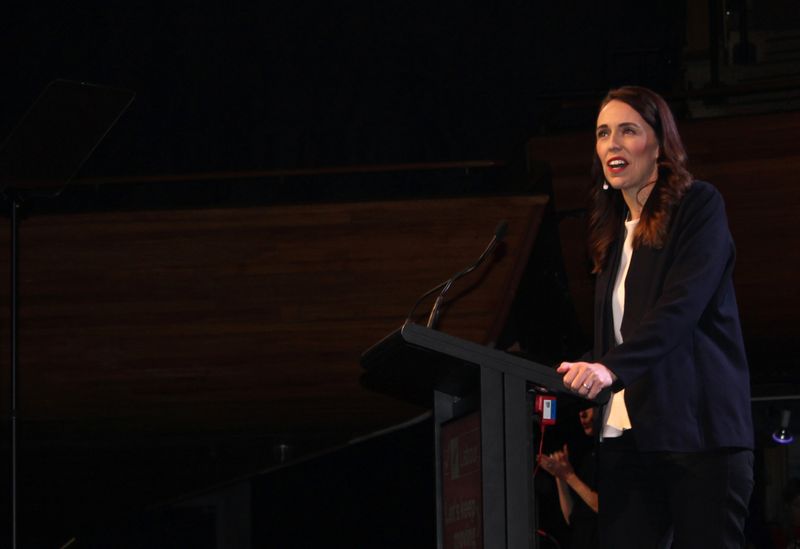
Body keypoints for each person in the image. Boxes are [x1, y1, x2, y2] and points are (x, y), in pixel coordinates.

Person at [556, 85, 754, 548]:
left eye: (629, 130)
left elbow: (679, 309)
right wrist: (584, 373)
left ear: (660, 144)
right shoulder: (611, 236)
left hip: (698, 436)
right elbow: (620, 337)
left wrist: (610, 369)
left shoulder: (699, 207)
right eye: (603, 133)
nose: (613, 144)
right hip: (627, 441)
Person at [539, 407, 599, 549]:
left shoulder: (612, 456)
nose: (582, 414)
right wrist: (560, 476)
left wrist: (568, 476)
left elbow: (602, 506)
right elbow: (572, 519)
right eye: (581, 408)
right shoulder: (589, 459)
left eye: (588, 407)